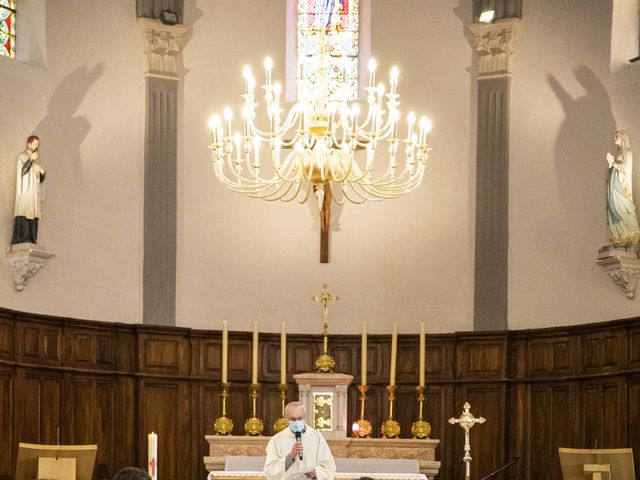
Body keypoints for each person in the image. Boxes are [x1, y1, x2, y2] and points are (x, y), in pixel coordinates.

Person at [264, 402, 336, 480]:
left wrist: (315, 473)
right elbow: (270, 471)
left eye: (300, 418)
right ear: (286, 418)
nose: (297, 422)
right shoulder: (276, 440)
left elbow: (329, 466)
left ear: (304, 417)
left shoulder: (316, 437)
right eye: (293, 419)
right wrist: (290, 457)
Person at [606, 130, 640, 245]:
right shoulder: (620, 154)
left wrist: (613, 162)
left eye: (616, 136)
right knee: (615, 209)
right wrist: (611, 164)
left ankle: (631, 234)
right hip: (615, 188)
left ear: (623, 137)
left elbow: (624, 169)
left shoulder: (628, 153)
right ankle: (620, 235)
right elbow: (615, 170)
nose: (614, 138)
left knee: (623, 210)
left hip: (622, 189)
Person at [12, 135, 46, 245]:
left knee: (34, 214)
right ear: (29, 144)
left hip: (34, 194)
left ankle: (32, 238)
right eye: (35, 144)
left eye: (38, 145)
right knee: (25, 212)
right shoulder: (22, 157)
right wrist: (31, 159)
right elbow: (22, 172)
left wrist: (42, 173)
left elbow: (39, 180)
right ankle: (23, 238)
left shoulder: (36, 162)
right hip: (26, 193)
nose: (37, 147)